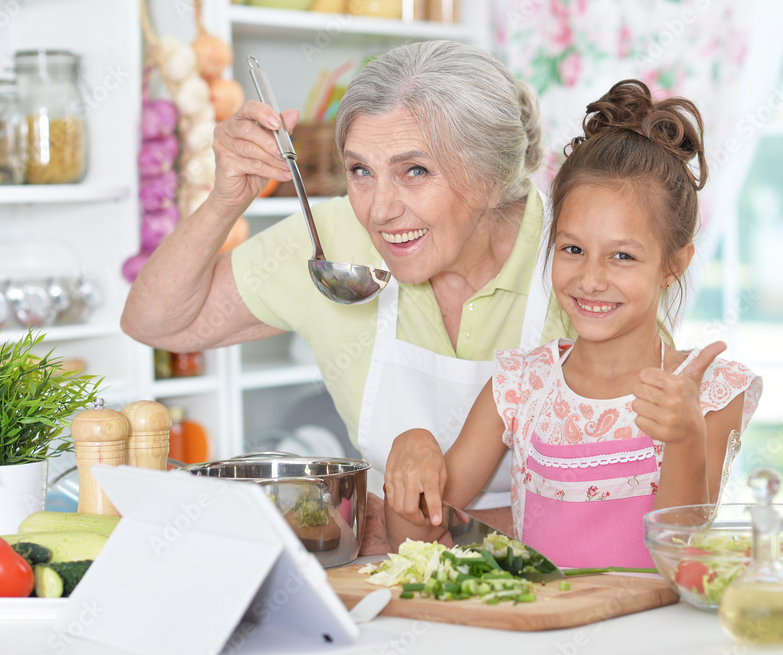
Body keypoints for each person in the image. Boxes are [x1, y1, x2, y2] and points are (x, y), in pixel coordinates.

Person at [120, 41, 572, 551]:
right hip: (395, 581)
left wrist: (410, 527)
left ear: (492, 175)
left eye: (415, 171)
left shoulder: (580, 257)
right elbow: (153, 322)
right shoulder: (336, 239)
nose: (379, 211)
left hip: (563, 582)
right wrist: (226, 199)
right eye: (361, 171)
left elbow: (641, 489)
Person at [383, 79, 763, 567]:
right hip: (539, 638)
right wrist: (411, 449)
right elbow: (416, 540)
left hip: (655, 641)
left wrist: (685, 436)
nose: (591, 278)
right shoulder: (521, 386)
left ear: (674, 265)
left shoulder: (705, 390)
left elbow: (681, 561)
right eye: (573, 249)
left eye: (622, 256)